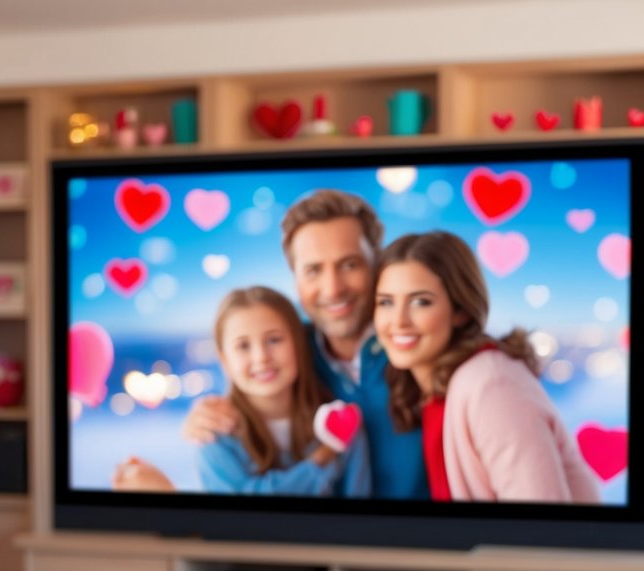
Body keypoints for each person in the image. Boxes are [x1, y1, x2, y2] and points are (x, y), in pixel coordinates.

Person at [183, 190, 428, 500]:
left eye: (350, 265)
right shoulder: (291, 352)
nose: (333, 288)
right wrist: (204, 413)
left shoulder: (418, 346)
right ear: (295, 279)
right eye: (313, 270)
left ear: (377, 266)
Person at [373, 230, 600, 503]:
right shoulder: (432, 392)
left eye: (420, 302)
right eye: (386, 302)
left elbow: (542, 530)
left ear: (460, 310)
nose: (398, 321)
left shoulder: (492, 386)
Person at [195, 286, 370, 496]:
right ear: (224, 360)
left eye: (274, 340)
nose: (261, 357)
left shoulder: (342, 423)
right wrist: (322, 458)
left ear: (297, 345)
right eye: (243, 346)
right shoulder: (214, 437)